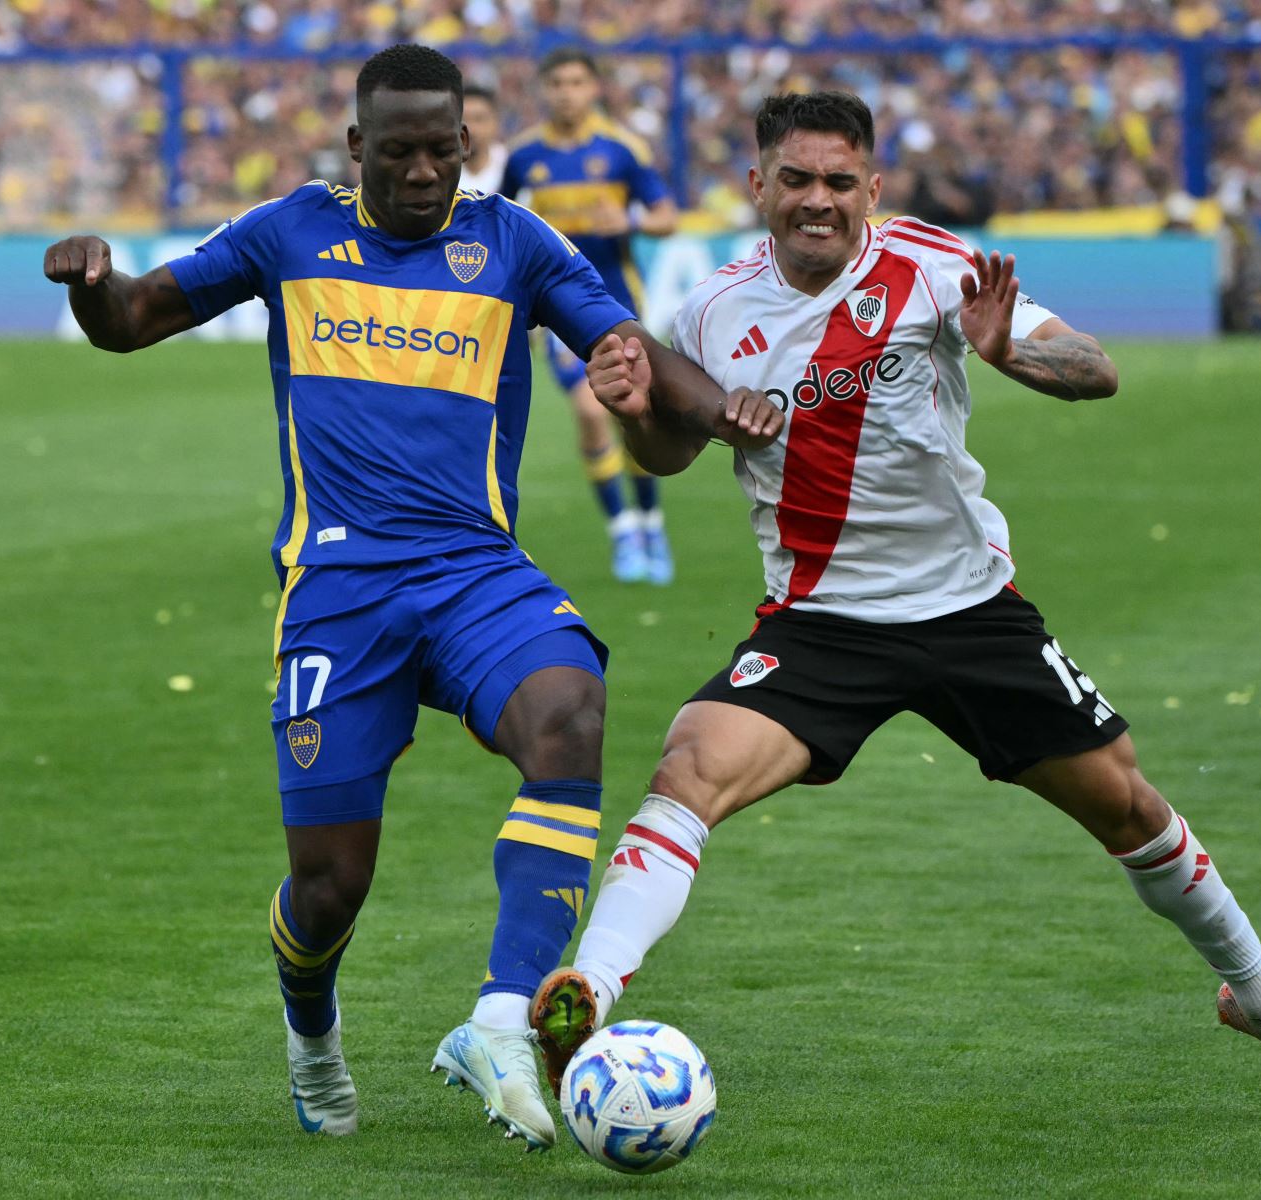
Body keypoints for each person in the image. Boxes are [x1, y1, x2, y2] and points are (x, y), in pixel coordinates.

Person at [530, 91, 1261, 1121]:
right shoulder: (710, 311)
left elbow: (1096, 371)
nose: (818, 201)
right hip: (818, 622)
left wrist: (1011, 351)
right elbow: (671, 453)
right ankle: (588, 995)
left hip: (968, 611)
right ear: (759, 187)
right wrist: (638, 415)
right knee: (688, 768)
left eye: (840, 181)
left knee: (1129, 808)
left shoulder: (933, 264)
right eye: (796, 179)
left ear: (873, 188)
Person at [40, 44, 776, 1149]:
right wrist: (94, 285)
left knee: (570, 708)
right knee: (330, 888)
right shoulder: (291, 231)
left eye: (443, 149)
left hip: (474, 570)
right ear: (356, 149)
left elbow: (628, 352)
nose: (424, 170)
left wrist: (720, 411)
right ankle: (311, 1029)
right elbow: (139, 315)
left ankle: (499, 1019)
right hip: (337, 586)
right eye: (399, 151)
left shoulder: (514, 242)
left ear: (468, 145)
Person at [502, 47, 681, 585]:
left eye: (576, 82)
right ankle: (623, 527)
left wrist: (626, 221)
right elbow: (499, 219)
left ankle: (650, 519)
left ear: (594, 88)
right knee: (588, 410)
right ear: (544, 90)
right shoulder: (523, 154)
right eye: (556, 83)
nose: (566, 92)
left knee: (632, 412)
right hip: (557, 307)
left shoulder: (623, 149)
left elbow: (667, 217)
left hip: (617, 301)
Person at [458, 84, 507, 195]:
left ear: (496, 123)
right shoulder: (442, 172)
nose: (471, 129)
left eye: (479, 119)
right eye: (463, 119)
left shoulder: (509, 166)